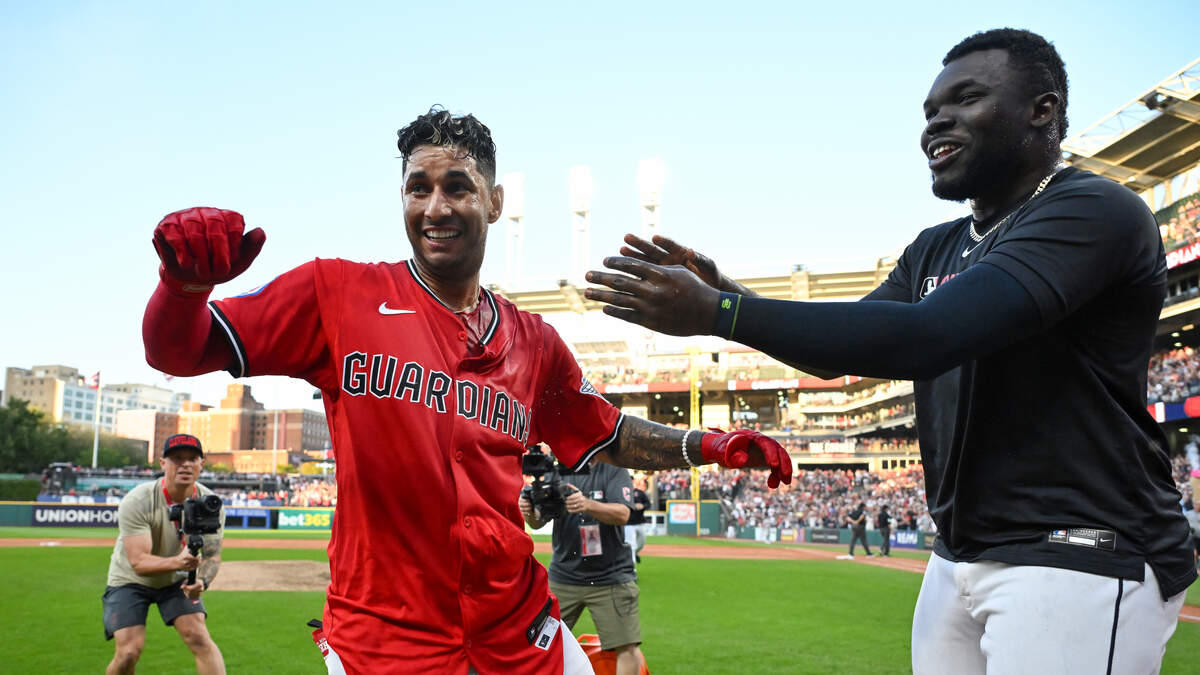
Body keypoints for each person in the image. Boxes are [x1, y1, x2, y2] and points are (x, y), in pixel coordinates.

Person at [584, 29, 1196, 673]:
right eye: (930, 111)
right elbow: (840, 351)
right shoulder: (935, 246)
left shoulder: (1096, 209)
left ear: (1042, 111)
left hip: (1079, 551)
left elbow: (931, 336)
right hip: (958, 555)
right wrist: (729, 294)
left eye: (966, 99)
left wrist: (721, 314)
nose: (938, 121)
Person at [141, 107, 793, 674]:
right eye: (417, 187)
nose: (435, 206)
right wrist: (183, 288)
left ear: (495, 201)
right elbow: (179, 348)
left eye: (457, 185)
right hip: (384, 638)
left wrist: (714, 442)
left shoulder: (532, 340)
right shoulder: (337, 296)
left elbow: (607, 432)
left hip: (518, 627)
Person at [103, 434, 225, 675]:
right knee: (128, 651)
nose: (185, 464)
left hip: (175, 581)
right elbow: (138, 562)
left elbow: (212, 555)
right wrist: (177, 562)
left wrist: (202, 581)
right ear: (162, 464)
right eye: (177, 459)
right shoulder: (139, 500)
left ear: (202, 464)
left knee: (198, 637)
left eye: (192, 459)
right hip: (130, 580)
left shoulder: (210, 504)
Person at [520, 459, 645, 675]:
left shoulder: (613, 468)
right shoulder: (556, 469)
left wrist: (587, 504)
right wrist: (529, 510)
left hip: (611, 576)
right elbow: (538, 521)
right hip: (563, 574)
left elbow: (623, 514)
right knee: (535, 641)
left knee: (626, 646)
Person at [625, 485, 651, 564]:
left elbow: (648, 504)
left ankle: (635, 553)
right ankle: (632, 567)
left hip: (640, 522)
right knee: (631, 545)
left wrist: (643, 506)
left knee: (641, 543)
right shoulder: (621, 493)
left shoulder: (639, 493)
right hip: (628, 523)